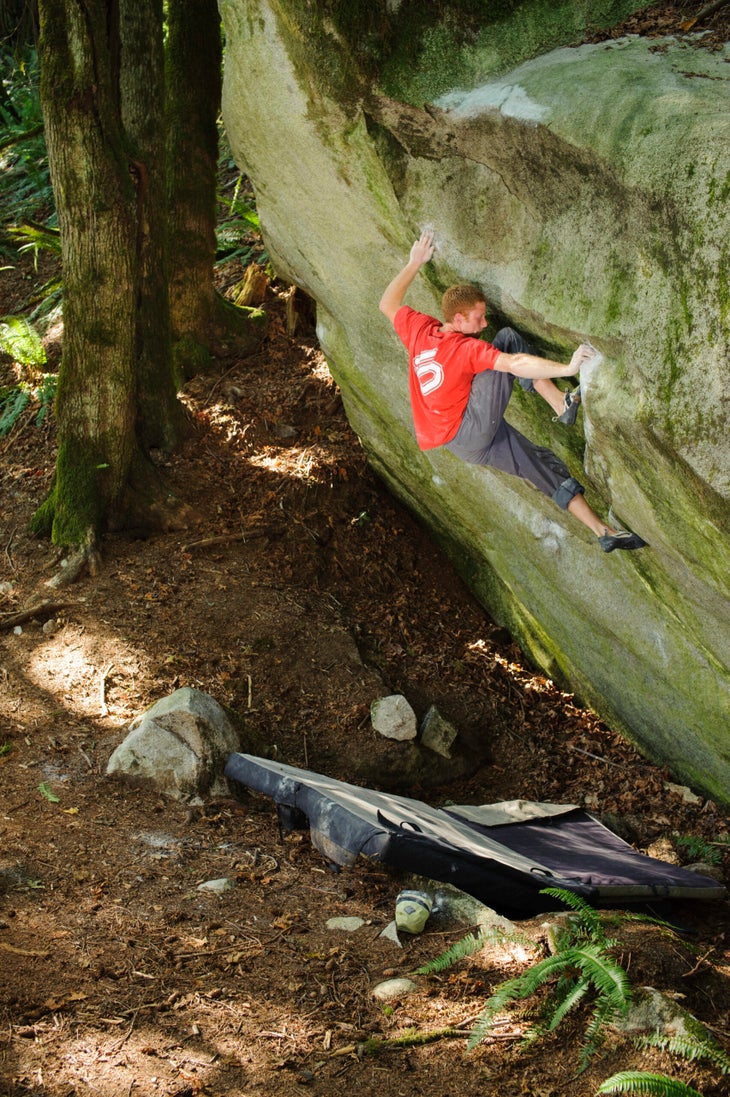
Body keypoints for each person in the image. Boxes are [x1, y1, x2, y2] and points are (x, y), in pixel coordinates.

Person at [378, 230, 646, 552]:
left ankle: (602, 530)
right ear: (459, 318)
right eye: (478, 317)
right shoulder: (465, 349)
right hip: (471, 426)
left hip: (462, 447)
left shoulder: (420, 331)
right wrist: (567, 368)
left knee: (537, 465)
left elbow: (387, 303)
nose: (483, 322)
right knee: (506, 339)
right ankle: (560, 403)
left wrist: (414, 262)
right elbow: (515, 363)